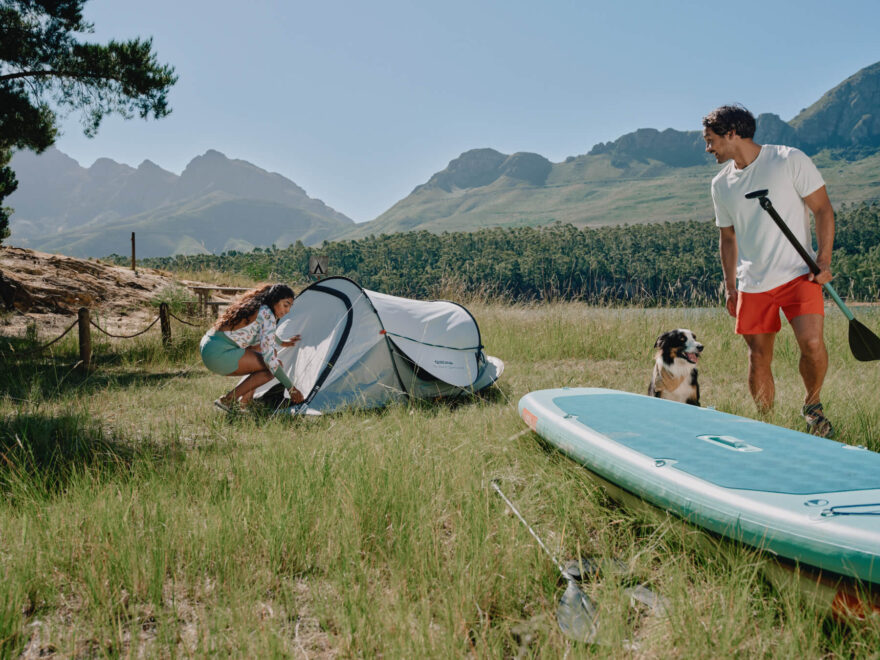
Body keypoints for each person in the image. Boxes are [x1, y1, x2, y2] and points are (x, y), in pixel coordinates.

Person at [702, 104, 835, 437]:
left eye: (711, 140)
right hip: (752, 282)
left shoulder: (788, 159)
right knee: (758, 356)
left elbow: (822, 210)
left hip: (799, 274)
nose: (709, 149)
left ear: (732, 133)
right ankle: (768, 427)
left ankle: (813, 407)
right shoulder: (721, 184)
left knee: (813, 343)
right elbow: (728, 237)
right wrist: (730, 287)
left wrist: (824, 261)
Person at [199, 283, 304, 411]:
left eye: (290, 307)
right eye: (285, 305)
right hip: (219, 354)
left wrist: (282, 343)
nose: (287, 311)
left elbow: (266, 334)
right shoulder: (268, 314)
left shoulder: (259, 308)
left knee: (260, 350)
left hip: (209, 346)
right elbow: (270, 360)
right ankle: (228, 400)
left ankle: (245, 402)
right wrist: (291, 388)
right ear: (275, 300)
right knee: (272, 366)